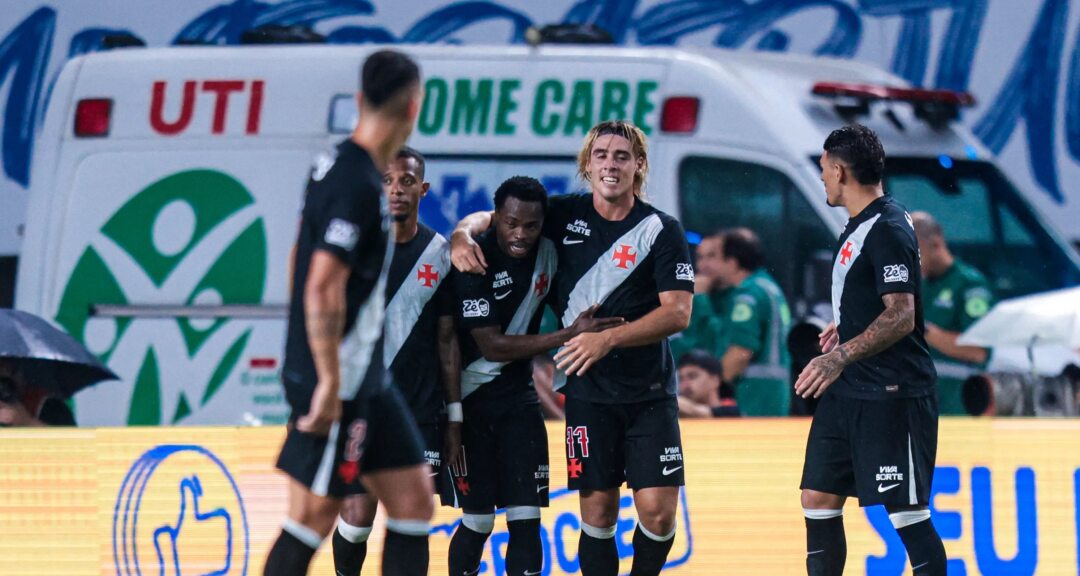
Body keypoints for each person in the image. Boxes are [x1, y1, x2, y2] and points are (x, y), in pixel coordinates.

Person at [451, 120, 695, 576]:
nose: (610, 164)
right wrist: (462, 234)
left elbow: (678, 314)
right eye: (601, 155)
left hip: (649, 393)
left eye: (622, 156)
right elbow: (498, 215)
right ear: (587, 165)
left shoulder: (662, 230)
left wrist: (607, 338)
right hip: (587, 395)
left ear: (639, 166)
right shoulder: (562, 215)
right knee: (598, 516)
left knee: (659, 515)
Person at [265, 49, 432, 576]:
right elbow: (320, 287)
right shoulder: (358, 185)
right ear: (414, 106)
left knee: (413, 502)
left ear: (360, 100)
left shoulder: (334, 165)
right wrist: (327, 381)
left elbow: (299, 254)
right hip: (338, 378)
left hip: (366, 379)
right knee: (313, 515)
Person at [445, 175, 624, 576]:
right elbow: (492, 345)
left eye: (530, 225)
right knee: (478, 522)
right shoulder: (473, 258)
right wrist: (460, 232)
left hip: (519, 402)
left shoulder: (551, 248)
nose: (520, 234)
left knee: (527, 522)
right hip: (470, 403)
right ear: (497, 219)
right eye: (511, 223)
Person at [795, 124, 946, 575]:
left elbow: (901, 315)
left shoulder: (886, 227)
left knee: (905, 514)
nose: (822, 177)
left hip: (893, 391)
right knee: (817, 497)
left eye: (823, 169)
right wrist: (846, 323)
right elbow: (876, 298)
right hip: (851, 389)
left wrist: (838, 355)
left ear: (839, 171)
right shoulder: (861, 225)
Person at [331, 147, 460, 576]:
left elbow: (446, 339)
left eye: (406, 181)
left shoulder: (440, 255)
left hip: (419, 411)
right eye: (387, 181)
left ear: (422, 189)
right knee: (356, 519)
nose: (397, 190)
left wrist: (454, 415)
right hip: (363, 405)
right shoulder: (357, 249)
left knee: (411, 519)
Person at [911, 211, 994, 415]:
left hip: (958, 406)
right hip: (920, 406)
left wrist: (922, 328)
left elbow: (978, 350)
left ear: (936, 243)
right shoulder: (917, 285)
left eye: (915, 250)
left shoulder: (970, 285)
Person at [708, 228, 792, 416]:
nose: (714, 265)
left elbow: (741, 351)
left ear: (732, 263)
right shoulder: (768, 287)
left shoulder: (748, 295)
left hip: (753, 395)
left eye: (717, 258)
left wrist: (715, 387)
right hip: (773, 393)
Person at [0, 359, 76, 426]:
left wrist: (26, 421)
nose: (5, 385)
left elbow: (71, 440)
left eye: (12, 371)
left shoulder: (49, 405)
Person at [676, 349, 739, 417]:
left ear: (715, 380)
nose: (685, 385)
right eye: (681, 379)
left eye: (693, 376)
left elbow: (697, 412)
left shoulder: (734, 412)